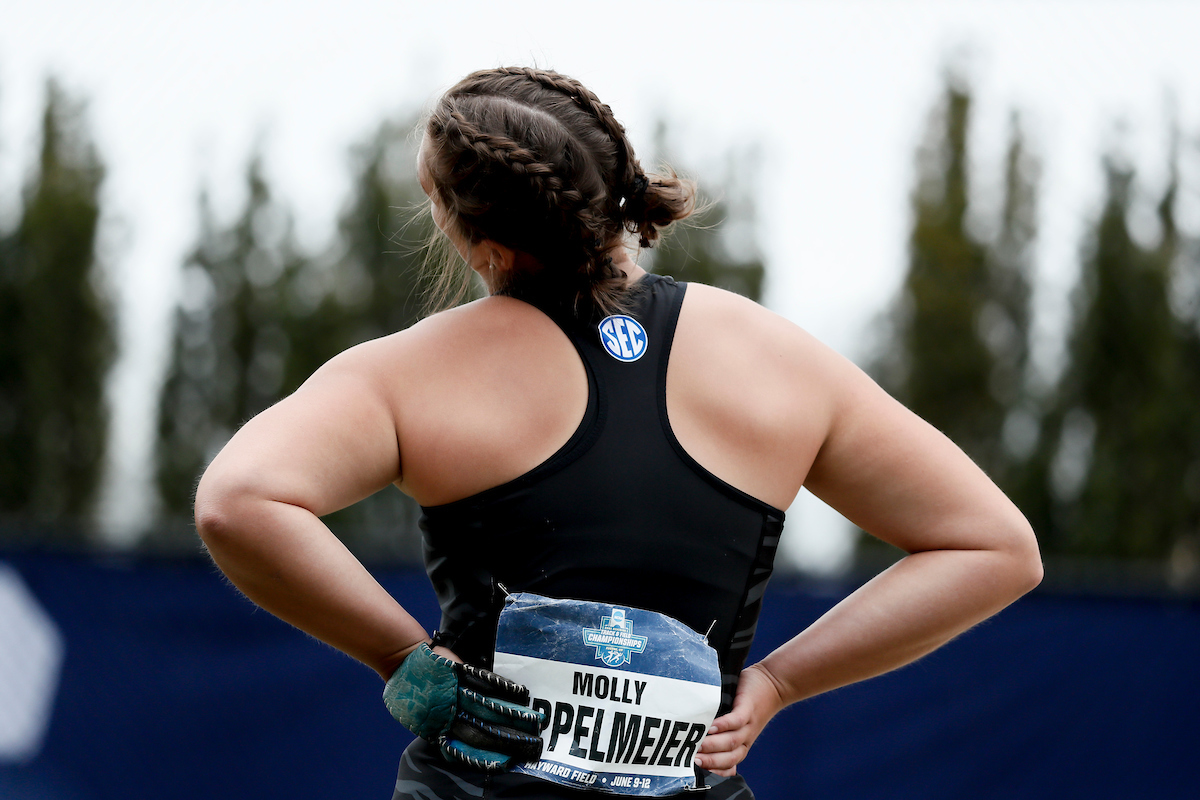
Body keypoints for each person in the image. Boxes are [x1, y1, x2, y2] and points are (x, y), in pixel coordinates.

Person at [194, 67, 1043, 799]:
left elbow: (238, 501)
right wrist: (781, 680)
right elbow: (996, 548)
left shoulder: (419, 371)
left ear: (482, 240)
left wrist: (401, 659)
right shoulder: (775, 360)